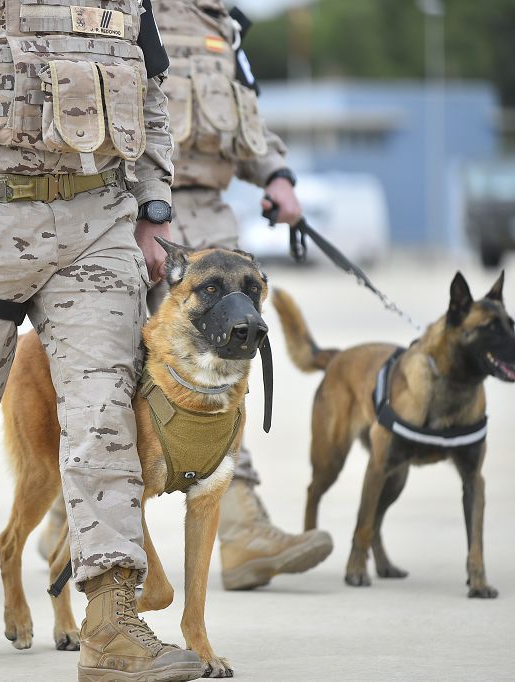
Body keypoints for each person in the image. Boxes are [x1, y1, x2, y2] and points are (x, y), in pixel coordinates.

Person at [0, 0, 204, 679]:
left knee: (104, 411)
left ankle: (110, 618)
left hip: (97, 221)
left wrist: (155, 207)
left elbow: (154, 98)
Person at [36, 0, 334, 592]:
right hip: (130, 213)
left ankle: (243, 529)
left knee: (226, 378)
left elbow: (247, 118)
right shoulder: (118, 9)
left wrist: (277, 176)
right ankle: (69, 515)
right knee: (114, 373)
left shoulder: (220, 23)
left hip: (210, 220)